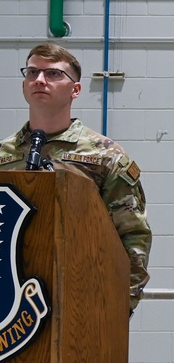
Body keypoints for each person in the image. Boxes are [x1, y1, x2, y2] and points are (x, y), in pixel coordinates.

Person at [0, 43, 151, 313]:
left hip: (79, 302)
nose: (40, 80)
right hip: (11, 301)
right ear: (24, 85)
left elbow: (132, 236)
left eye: (53, 74)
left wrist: (118, 309)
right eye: (32, 72)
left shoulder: (105, 156)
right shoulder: (4, 155)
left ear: (76, 90)